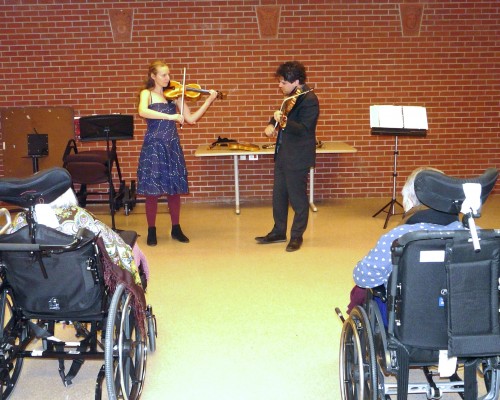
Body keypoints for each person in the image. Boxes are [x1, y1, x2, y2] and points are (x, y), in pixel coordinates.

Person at [347, 167, 461, 313]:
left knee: (360, 291)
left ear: (409, 201)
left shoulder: (399, 237)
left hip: (409, 318)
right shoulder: (476, 235)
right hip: (462, 317)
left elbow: (363, 277)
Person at [137, 60, 218, 246]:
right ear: (153, 76)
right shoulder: (147, 94)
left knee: (174, 190)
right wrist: (170, 116)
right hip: (154, 145)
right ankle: (151, 230)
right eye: (163, 75)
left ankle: (176, 228)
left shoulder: (175, 96)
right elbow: (142, 112)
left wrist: (209, 100)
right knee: (152, 190)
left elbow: (190, 119)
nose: (168, 78)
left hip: (172, 145)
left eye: (168, 74)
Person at [7, 188, 148, 288]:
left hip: (34, 283)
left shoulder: (22, 219)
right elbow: (109, 242)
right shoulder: (78, 215)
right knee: (128, 246)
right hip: (77, 282)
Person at [255, 61, 320, 252]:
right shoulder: (292, 96)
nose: (280, 85)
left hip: (298, 156)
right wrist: (271, 123)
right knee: (279, 196)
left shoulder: (309, 100)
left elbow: (304, 129)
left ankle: (296, 236)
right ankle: (278, 232)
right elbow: (282, 113)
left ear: (296, 81)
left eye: (283, 82)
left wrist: (282, 121)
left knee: (298, 199)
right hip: (283, 153)